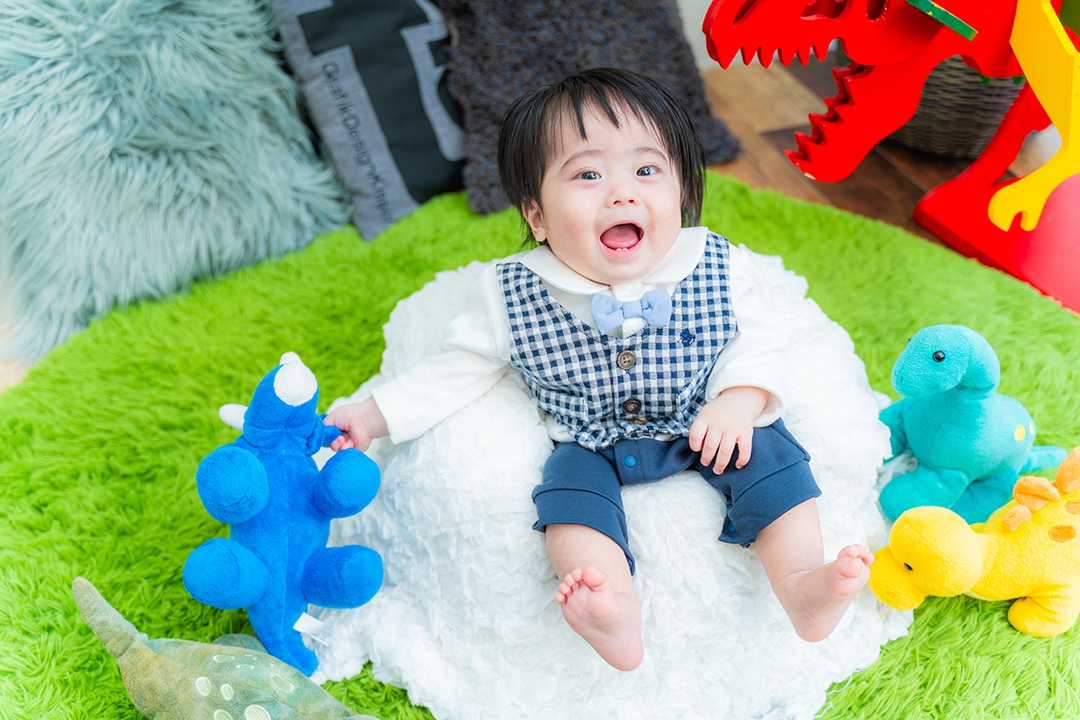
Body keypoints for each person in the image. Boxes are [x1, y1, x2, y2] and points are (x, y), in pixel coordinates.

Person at [325, 67, 872, 672]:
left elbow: (759, 340)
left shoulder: (716, 263)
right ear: (537, 216)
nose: (622, 194)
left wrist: (738, 402)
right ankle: (614, 612)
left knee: (771, 456)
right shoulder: (512, 292)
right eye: (587, 175)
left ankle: (802, 585)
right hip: (589, 442)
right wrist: (372, 416)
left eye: (647, 171)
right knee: (568, 505)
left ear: (681, 191)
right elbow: (455, 368)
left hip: (705, 419)